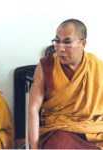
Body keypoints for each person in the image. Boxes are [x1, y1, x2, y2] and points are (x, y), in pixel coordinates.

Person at [29, 19, 103, 149]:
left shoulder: (97, 67)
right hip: (60, 130)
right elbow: (33, 109)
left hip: (94, 130)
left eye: (67, 42)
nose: (60, 48)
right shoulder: (46, 66)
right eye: (57, 41)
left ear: (83, 43)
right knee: (59, 144)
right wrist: (34, 147)